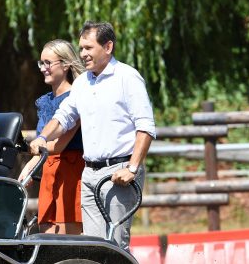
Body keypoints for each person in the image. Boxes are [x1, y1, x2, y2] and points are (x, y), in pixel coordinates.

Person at [29, 22, 155, 250]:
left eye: (89, 48)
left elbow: (145, 127)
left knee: (116, 245)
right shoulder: (82, 83)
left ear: (108, 47)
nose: (83, 54)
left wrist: (132, 168)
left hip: (119, 172)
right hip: (89, 174)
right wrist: (43, 137)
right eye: (81, 48)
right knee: (93, 248)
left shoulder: (127, 77)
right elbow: (63, 117)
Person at [18, 39, 86, 234]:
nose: (43, 68)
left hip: (70, 171)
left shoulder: (77, 97)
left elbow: (59, 144)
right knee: (47, 235)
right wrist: (29, 167)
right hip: (49, 169)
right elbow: (42, 142)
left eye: (48, 63)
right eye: (41, 63)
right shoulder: (46, 101)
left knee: (66, 240)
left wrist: (31, 153)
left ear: (65, 64)